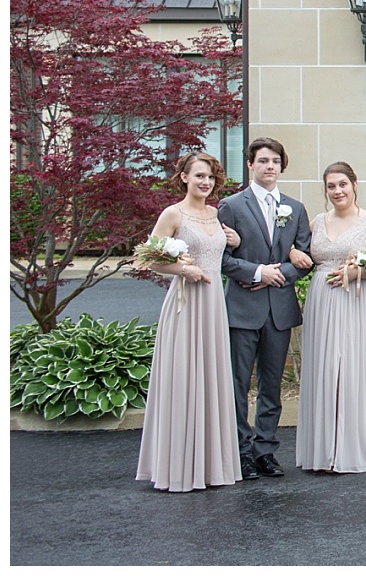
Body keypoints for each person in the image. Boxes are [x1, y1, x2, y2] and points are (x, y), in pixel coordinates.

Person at [136, 153, 241, 491]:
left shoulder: (215, 213)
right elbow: (147, 260)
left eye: (210, 176)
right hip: (185, 302)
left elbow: (221, 252)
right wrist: (184, 268)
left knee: (211, 377)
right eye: (198, 176)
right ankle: (179, 466)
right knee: (184, 376)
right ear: (183, 177)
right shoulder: (173, 213)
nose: (205, 182)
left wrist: (234, 242)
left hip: (213, 304)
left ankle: (211, 466)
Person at [217, 137, 313, 480]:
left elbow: (305, 259)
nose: (269, 166)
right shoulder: (230, 205)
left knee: (272, 385)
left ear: (281, 166)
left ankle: (265, 451)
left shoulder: (295, 208)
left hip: (279, 309)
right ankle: (241, 452)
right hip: (242, 308)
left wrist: (277, 274)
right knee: (239, 383)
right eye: (262, 161)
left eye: (274, 161)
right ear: (250, 165)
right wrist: (257, 271)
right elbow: (222, 257)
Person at [296, 161, 366, 474]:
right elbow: (300, 253)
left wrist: (360, 271)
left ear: (354, 184)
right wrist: (290, 254)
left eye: (342, 184)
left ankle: (353, 449)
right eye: (331, 186)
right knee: (324, 371)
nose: (337, 191)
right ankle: (323, 451)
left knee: (352, 371)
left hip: (356, 301)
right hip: (322, 301)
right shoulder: (317, 222)